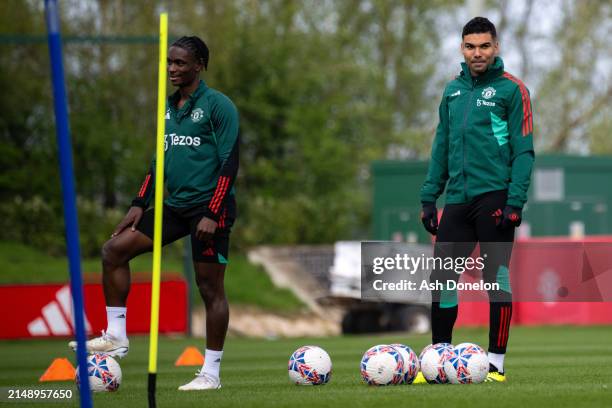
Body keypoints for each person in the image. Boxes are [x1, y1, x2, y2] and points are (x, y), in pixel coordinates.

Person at [69, 36, 239, 391]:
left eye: (180, 63)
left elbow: (229, 162)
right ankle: (116, 335)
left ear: (199, 65)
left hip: (210, 210)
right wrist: (138, 202)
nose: (173, 69)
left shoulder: (218, 106)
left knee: (210, 288)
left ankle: (210, 373)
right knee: (113, 251)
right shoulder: (166, 107)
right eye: (169, 63)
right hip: (174, 207)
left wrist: (212, 211)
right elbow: (158, 161)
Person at [418, 17, 534, 383]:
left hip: (496, 197)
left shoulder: (512, 90)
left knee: (495, 279)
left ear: (496, 47)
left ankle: (496, 361)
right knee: (442, 279)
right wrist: (428, 196)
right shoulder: (452, 91)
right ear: (461, 49)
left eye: (484, 46)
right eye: (470, 46)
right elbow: (441, 147)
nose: (477, 53)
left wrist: (515, 202)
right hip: (457, 199)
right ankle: (438, 359)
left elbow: (524, 150)